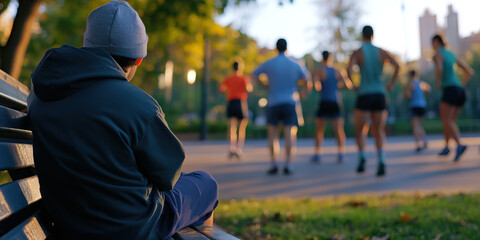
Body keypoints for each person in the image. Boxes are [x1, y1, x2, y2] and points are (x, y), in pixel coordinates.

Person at [27, 2, 218, 239]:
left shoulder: (40, 92)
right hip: (133, 227)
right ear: (137, 60)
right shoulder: (137, 104)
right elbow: (169, 175)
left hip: (68, 221)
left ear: (87, 46)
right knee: (206, 184)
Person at [252, 38, 311, 175]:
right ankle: (288, 164)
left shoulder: (269, 63)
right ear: (287, 48)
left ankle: (274, 164)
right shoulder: (295, 64)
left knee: (273, 135)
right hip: (291, 102)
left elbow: (254, 75)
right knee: (289, 134)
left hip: (273, 102)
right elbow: (308, 79)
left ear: (276, 48)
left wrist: (265, 85)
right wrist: (303, 93)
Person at [347, 25, 400, 177]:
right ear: (373, 35)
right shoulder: (381, 52)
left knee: (360, 130)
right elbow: (397, 65)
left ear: (362, 35)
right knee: (378, 130)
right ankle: (381, 159)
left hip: (364, 93)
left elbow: (349, 70)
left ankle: (362, 156)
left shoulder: (358, 52)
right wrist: (390, 83)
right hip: (379, 94)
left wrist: (353, 85)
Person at [431, 34, 474, 161]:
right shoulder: (451, 54)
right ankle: (446, 146)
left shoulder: (438, 55)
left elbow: (439, 67)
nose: (432, 45)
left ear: (436, 42)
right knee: (449, 122)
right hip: (459, 91)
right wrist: (460, 84)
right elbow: (469, 71)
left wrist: (438, 82)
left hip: (449, 89)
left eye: (432, 43)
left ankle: (459, 145)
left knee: (447, 121)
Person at [312, 50, 353, 163]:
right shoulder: (338, 71)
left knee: (319, 130)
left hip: (324, 102)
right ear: (330, 58)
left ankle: (318, 154)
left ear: (322, 58)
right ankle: (341, 154)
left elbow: (317, 87)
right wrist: (337, 85)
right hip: (335, 102)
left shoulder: (319, 71)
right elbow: (348, 85)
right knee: (338, 129)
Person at [219, 61, 253, 159]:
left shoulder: (228, 79)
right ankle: (239, 149)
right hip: (241, 103)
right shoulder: (244, 78)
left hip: (231, 103)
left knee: (231, 127)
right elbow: (249, 89)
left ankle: (231, 148)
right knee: (241, 128)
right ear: (240, 68)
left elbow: (221, 89)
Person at [404, 69, 431, 152]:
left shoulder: (410, 84)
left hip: (415, 106)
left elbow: (408, 96)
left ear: (410, 75)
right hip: (422, 106)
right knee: (419, 125)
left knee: (415, 126)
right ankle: (425, 140)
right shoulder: (422, 83)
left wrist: (409, 95)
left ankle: (418, 144)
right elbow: (429, 90)